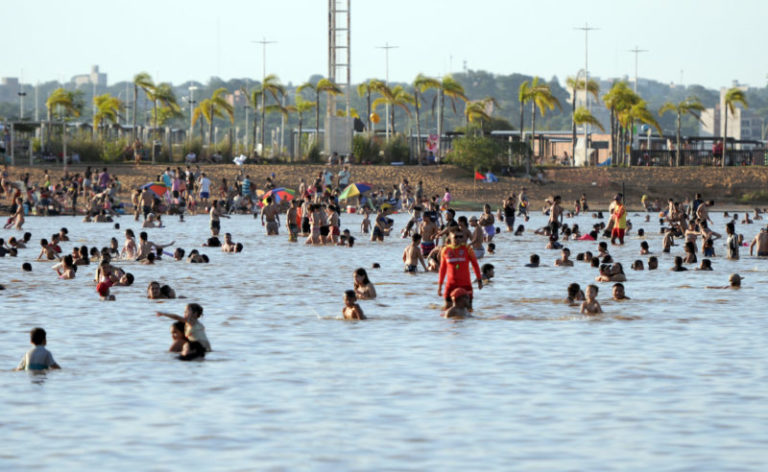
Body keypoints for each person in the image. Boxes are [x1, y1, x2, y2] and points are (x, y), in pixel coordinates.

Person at [437, 229, 482, 309]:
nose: (458, 239)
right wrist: (440, 285)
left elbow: (475, 265)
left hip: (465, 285)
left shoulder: (467, 249)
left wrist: (479, 280)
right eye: (456, 237)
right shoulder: (445, 250)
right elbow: (442, 269)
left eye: (461, 237)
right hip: (451, 285)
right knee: (447, 309)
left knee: (468, 309)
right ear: (450, 237)